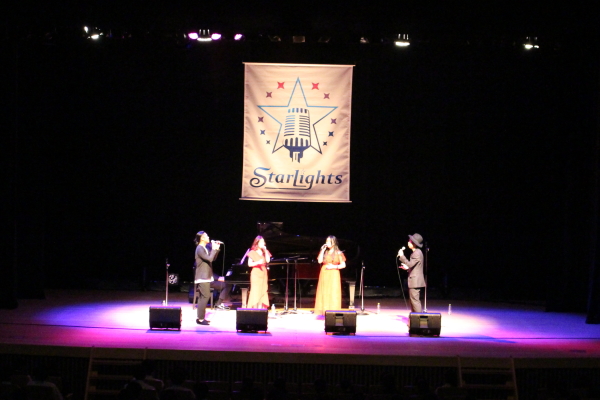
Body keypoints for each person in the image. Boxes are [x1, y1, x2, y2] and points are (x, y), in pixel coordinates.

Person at [314, 235, 346, 316]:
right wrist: (322, 250)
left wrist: (333, 267)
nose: (327, 243)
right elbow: (319, 261)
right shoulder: (325, 252)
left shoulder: (338, 253)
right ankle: (323, 310)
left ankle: (333, 311)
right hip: (324, 273)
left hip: (334, 273)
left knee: (333, 291)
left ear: (333, 242)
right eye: (326, 241)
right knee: (324, 291)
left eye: (329, 241)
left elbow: (343, 265)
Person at [194, 231, 221, 325]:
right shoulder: (199, 248)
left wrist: (216, 249)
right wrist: (213, 249)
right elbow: (209, 258)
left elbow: (212, 258)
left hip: (206, 276)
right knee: (205, 296)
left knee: (203, 297)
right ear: (202, 238)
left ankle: (200, 318)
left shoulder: (204, 248)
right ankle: (200, 319)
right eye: (206, 236)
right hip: (202, 276)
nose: (208, 237)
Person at [398, 233, 426, 312]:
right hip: (415, 280)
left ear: (414, 243)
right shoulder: (416, 252)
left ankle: (418, 317)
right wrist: (407, 268)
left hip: (415, 281)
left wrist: (402, 256)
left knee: (415, 301)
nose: (408, 242)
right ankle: (414, 317)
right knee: (413, 301)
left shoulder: (417, 253)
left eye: (410, 241)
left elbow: (410, 264)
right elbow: (414, 266)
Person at [247, 236, 271, 309]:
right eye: (262, 242)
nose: (263, 243)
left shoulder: (265, 252)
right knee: (255, 291)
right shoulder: (252, 252)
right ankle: (254, 309)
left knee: (263, 290)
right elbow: (249, 264)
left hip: (263, 273)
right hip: (256, 273)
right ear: (257, 243)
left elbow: (268, 260)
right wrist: (258, 262)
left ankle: (261, 309)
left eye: (264, 242)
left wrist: (266, 251)